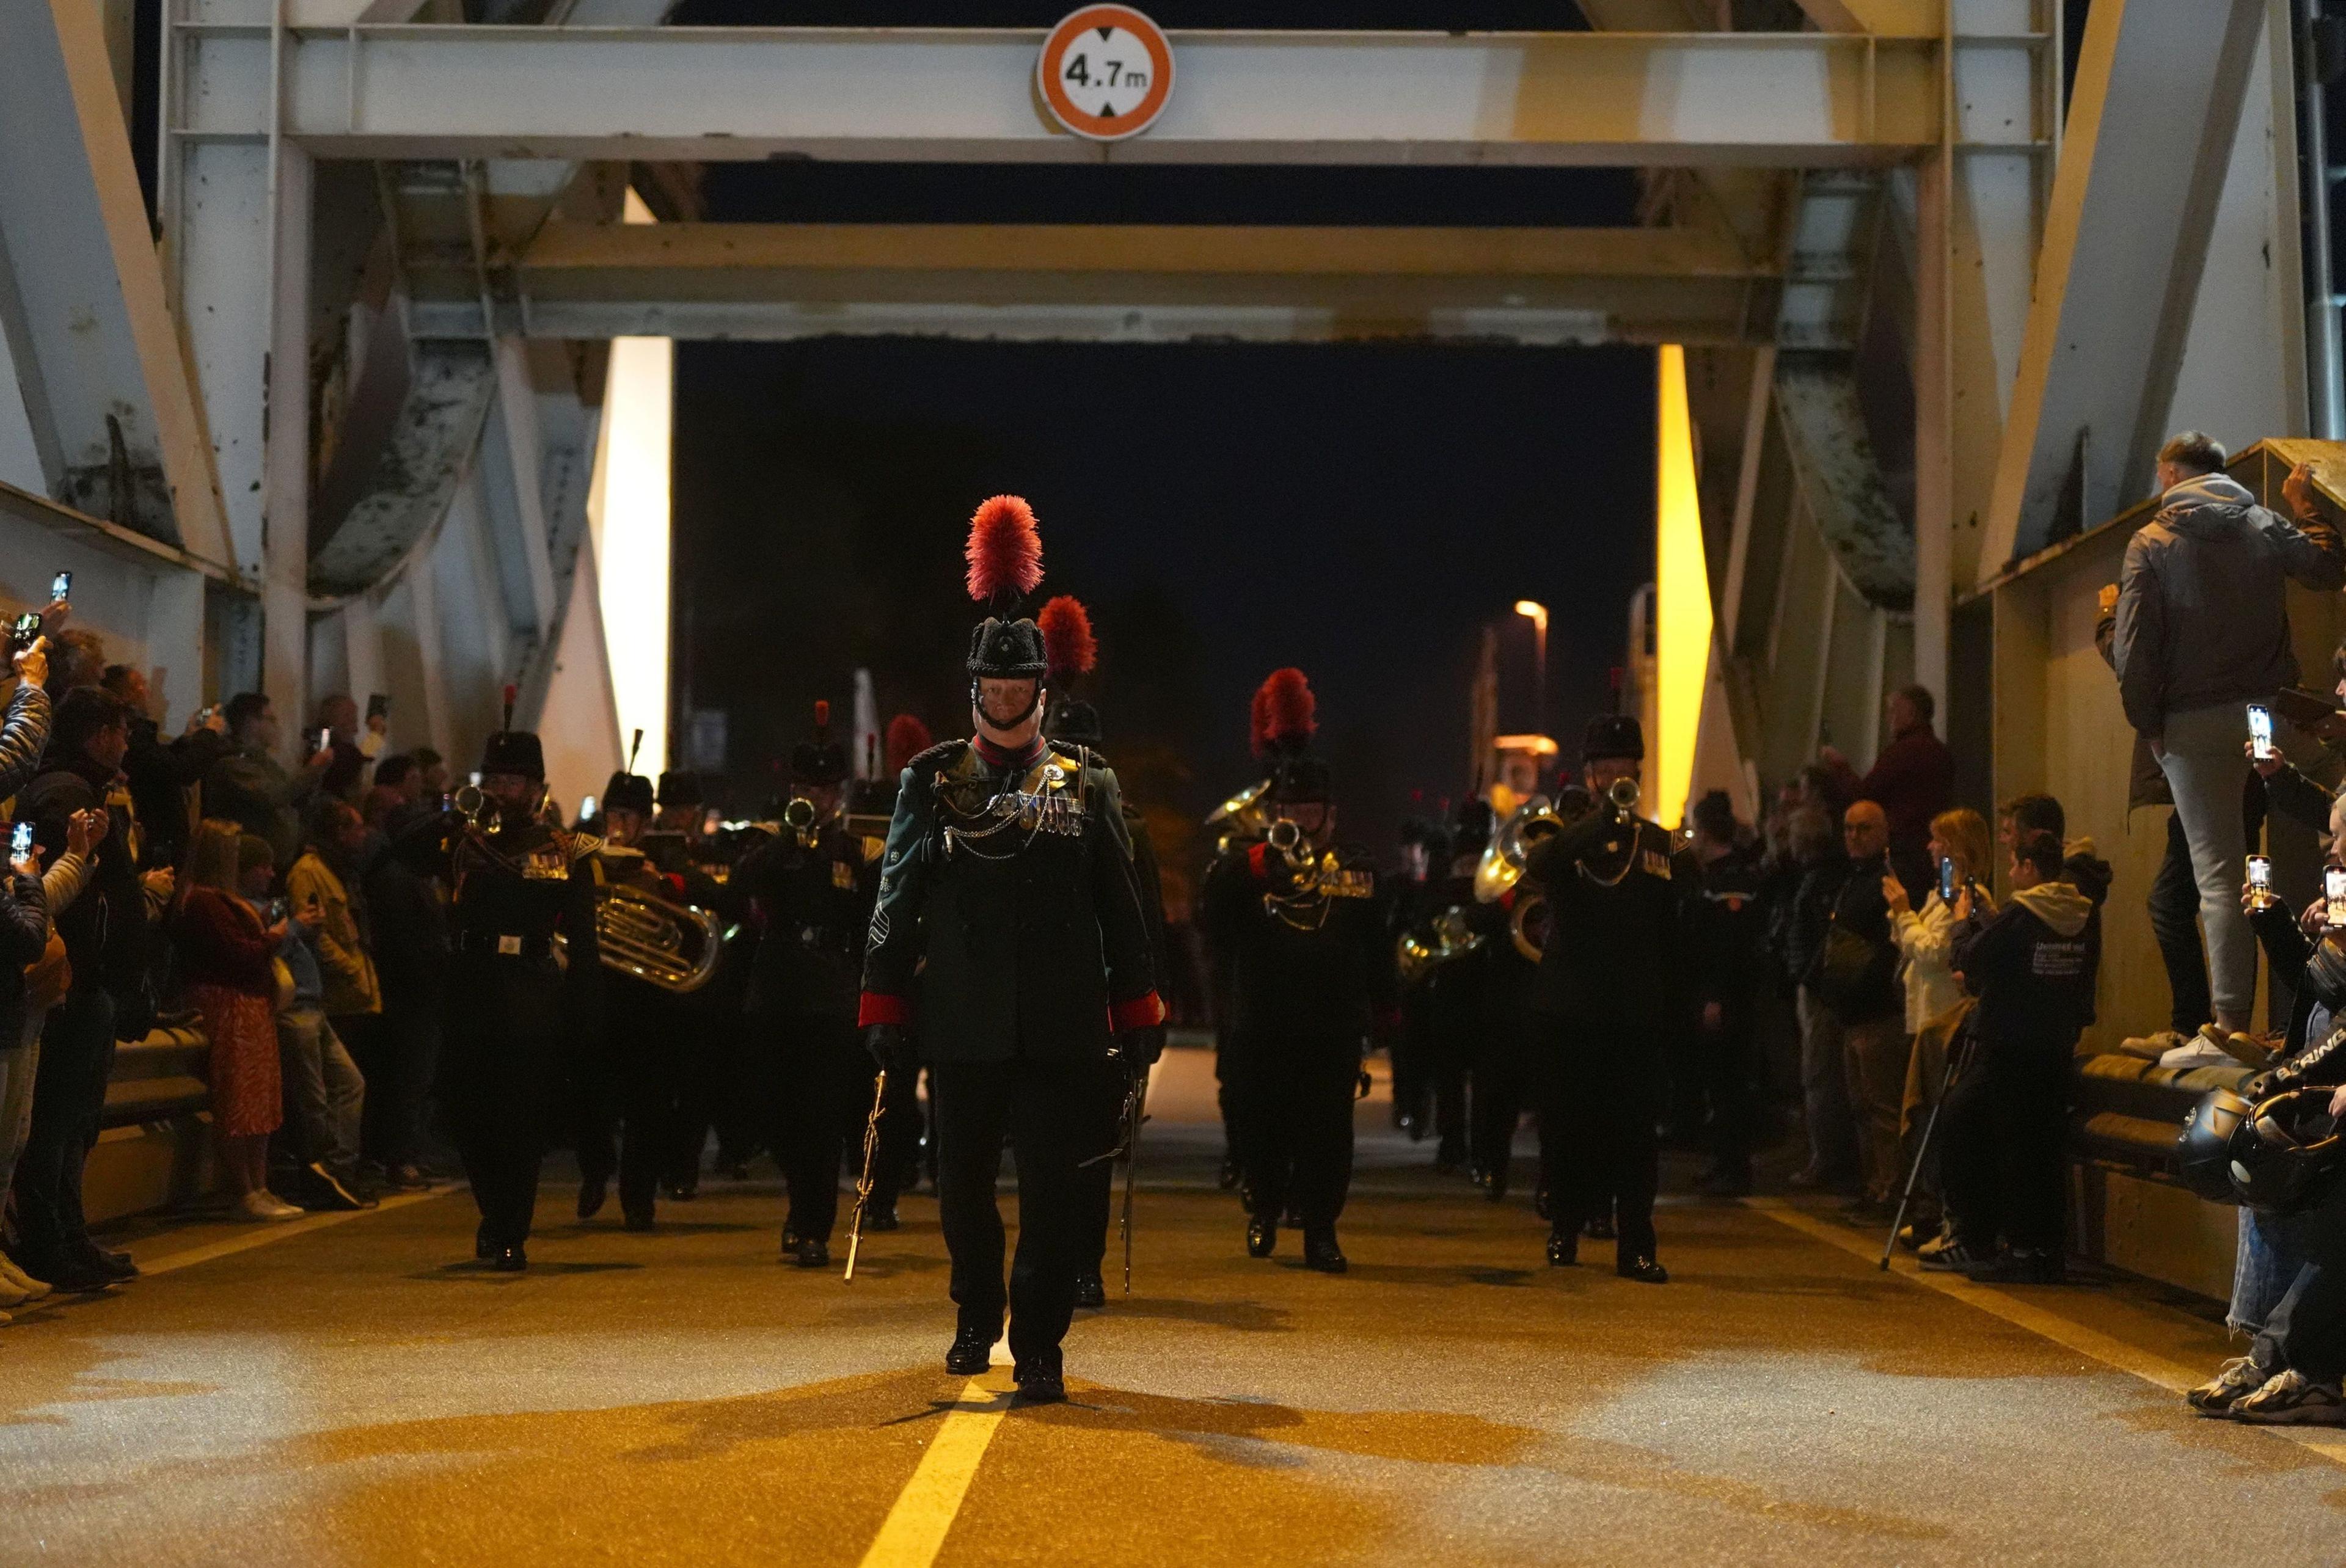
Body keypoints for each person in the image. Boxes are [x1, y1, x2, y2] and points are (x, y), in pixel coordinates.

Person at [858, 495, 1164, 1406]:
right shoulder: (931, 779)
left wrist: (1138, 1005)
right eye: (990, 688)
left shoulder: (1088, 782)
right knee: (961, 1193)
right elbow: (896, 895)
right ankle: (972, 1311)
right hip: (963, 1025)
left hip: (1064, 1028)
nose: (1003, 699)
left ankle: (1039, 1341)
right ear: (973, 690)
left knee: (1059, 1198)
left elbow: (1120, 903)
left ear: (1041, 688)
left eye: (1017, 687)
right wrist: (883, 1003)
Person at [2113, 437, 2344, 1036]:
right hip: (2264, 712)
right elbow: (2326, 568)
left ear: (2168, 472)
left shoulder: (2151, 543)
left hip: (2192, 723)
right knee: (2335, 787)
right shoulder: (2261, 521)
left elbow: (2135, 649)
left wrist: (2152, 727)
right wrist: (2308, 507)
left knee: (2219, 876)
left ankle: (2231, 1028)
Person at [1204, 668, 1387, 1274]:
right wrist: (1259, 864)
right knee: (1261, 1129)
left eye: (1312, 809)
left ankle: (1321, 1230)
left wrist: (1384, 1010)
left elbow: (1374, 940)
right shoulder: (1244, 865)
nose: (1302, 818)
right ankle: (1262, 1206)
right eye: (1291, 808)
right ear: (1272, 811)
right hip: (1263, 1024)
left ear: (1330, 814)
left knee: (1329, 1138)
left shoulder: (1355, 868)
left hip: (1330, 1027)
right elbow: (1214, 912)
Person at [439, 707, 602, 1271]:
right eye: (493, 781)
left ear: (536, 788)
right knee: (467, 1113)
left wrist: (586, 1011)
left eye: (512, 782)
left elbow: (582, 938)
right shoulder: (460, 840)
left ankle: (511, 1228)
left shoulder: (566, 848)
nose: (501, 792)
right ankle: (494, 1213)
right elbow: (397, 850)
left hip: (532, 991)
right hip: (473, 986)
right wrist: (452, 821)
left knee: (520, 1119)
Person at [13, 688, 164, 1291]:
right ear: (98, 734)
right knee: (55, 1121)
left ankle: (69, 1235)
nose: (126, 743)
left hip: (88, 980)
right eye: (121, 730)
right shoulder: (64, 794)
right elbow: (61, 896)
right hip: (73, 983)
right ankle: (49, 1242)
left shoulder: (76, 791)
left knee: (74, 1120)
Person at [1523, 715, 1681, 1282]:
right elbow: (1537, 868)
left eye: (1627, 770)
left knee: (1636, 1135)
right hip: (1570, 1010)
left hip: (1633, 1011)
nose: (1618, 778)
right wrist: (1591, 826)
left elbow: (1673, 929)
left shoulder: (1658, 845)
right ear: (1588, 775)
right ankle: (1564, 1225)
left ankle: (1636, 1244)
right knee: (1568, 1127)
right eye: (1607, 770)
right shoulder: (1562, 837)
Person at [733, 706, 872, 1263]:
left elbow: (869, 922)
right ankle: (800, 1207)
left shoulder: (855, 852)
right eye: (803, 787)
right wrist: (784, 842)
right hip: (778, 989)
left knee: (819, 1117)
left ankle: (812, 1224)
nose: (813, 798)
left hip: (830, 996)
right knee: (775, 1111)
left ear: (838, 794)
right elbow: (737, 889)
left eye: (822, 789)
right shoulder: (774, 846)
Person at [1933, 830, 2099, 1283]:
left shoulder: (2022, 914)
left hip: (2010, 1045)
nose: (2010, 873)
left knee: (2009, 1145)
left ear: (2028, 867)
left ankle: (2016, 1247)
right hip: (2057, 1045)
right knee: (2043, 1148)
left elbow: (1974, 961)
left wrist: (1967, 922)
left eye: (2013, 864)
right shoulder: (2083, 914)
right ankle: (2045, 1250)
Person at [574, 764, 695, 1233]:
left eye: (629, 815)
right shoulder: (586, 855)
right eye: (614, 813)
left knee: (648, 1104)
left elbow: (706, 892)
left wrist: (664, 884)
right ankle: (595, 1169)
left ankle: (637, 1198)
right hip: (596, 991)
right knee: (588, 1094)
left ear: (647, 821)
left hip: (649, 999)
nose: (619, 824)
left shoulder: (666, 854)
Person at [2096, 586, 2213, 1049]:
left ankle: (2201, 1027)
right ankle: (2212, 1026)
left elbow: (2131, 663)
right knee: (2219, 900)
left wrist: (2109, 614)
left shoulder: (2179, 619)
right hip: (2212, 776)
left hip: (2201, 777)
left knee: (2178, 902)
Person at [177, 822, 302, 1222]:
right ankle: (245, 1188)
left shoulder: (220, 900)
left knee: (260, 1099)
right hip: (231, 1004)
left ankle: (261, 1185)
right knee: (240, 1099)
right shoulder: (205, 902)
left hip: (251, 1004)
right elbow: (238, 954)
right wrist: (276, 935)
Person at [1883, 808, 1994, 1248]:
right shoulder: (1942, 896)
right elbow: (1910, 944)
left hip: (1946, 1022)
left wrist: (1904, 913)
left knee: (1938, 1117)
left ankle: (1945, 1217)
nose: (1931, 848)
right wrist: (1905, 916)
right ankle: (1931, 1213)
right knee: (1926, 1113)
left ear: (1956, 847)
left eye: (1939, 842)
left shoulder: (1969, 898)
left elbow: (1933, 951)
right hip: (1926, 1018)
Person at [280, 803, 375, 1210]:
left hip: (329, 996)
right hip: (318, 994)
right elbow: (314, 934)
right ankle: (323, 1174)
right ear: (336, 832)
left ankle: (340, 1170)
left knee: (349, 1083)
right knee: (315, 1097)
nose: (363, 836)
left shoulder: (341, 871)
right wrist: (350, 970)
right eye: (355, 829)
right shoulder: (308, 872)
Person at [1816, 801, 1908, 1217]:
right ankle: (1875, 1185)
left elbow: (1886, 949)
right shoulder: (1854, 879)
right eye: (1849, 829)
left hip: (1877, 1012)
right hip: (1854, 1012)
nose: (1854, 836)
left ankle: (1889, 1189)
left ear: (1885, 832)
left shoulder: (1887, 882)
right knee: (1861, 1106)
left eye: (1865, 829)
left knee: (1882, 1107)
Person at [358, 802, 449, 1191]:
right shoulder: (397, 880)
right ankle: (398, 1157)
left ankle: (403, 1152)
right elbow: (406, 946)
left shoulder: (404, 876)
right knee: (408, 1079)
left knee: (414, 1079)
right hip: (409, 997)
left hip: (415, 995)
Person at [1681, 789, 1765, 1197]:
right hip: (1711, 993)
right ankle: (1722, 1159)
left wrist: (1716, 996)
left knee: (1730, 1082)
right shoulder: (1713, 877)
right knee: (1717, 1081)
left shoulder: (1732, 880)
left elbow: (1729, 947)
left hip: (1728, 1000)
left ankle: (1735, 1166)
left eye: (1694, 829)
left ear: (1706, 830)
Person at [1819, 685, 1956, 898]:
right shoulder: (1941, 753)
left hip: (1903, 853)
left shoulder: (1902, 753)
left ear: (1911, 713)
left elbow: (1865, 796)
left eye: (1894, 711)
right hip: (1934, 853)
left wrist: (1840, 768)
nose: (1888, 718)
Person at [101, 663, 228, 870]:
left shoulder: (138, 736)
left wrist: (188, 738)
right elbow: (181, 771)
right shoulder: (132, 737)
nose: (150, 693)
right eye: (141, 686)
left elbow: (163, 762)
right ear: (126, 695)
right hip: (155, 846)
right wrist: (209, 734)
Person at [205, 693, 334, 872]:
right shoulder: (232, 763)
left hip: (277, 863)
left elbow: (292, 798)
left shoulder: (264, 762)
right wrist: (312, 770)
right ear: (251, 722)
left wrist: (316, 773)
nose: (276, 726)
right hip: (250, 866)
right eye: (271, 720)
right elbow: (273, 796)